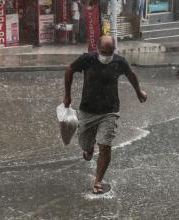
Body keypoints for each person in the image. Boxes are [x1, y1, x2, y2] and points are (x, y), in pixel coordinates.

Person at [63, 35, 147, 194]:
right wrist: (67, 95)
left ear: (114, 50)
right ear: (97, 49)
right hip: (87, 110)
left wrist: (138, 91)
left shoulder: (119, 62)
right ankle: (88, 149)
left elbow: (131, 75)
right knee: (85, 145)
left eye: (110, 52)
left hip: (110, 111)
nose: (107, 56)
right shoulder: (87, 59)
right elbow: (69, 70)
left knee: (105, 146)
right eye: (103, 52)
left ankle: (98, 180)